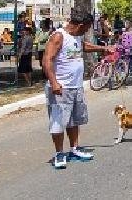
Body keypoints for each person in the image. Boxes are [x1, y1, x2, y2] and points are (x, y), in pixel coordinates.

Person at [42, 11, 114, 170]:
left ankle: (74, 149)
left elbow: (82, 47)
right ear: (81, 25)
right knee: (58, 122)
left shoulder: (77, 36)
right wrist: (54, 83)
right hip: (61, 87)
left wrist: (102, 48)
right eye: (87, 28)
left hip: (76, 86)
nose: (87, 31)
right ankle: (59, 153)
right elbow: (47, 60)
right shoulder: (58, 36)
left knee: (74, 120)